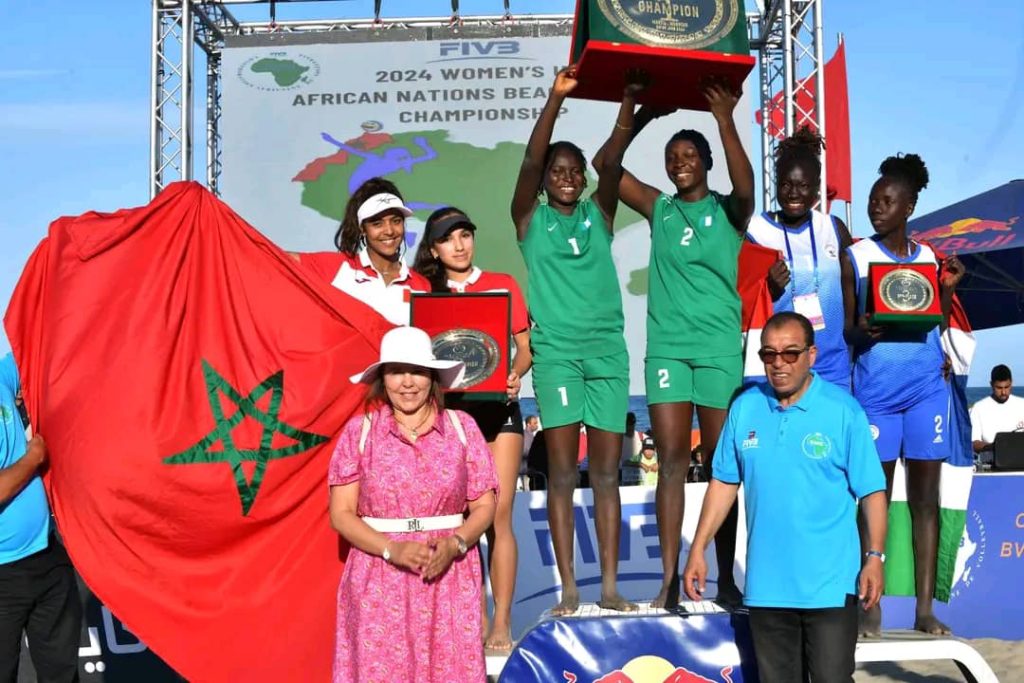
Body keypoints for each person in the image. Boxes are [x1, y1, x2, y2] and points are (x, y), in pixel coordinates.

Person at [593, 75, 755, 608]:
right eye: (672, 156)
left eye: (689, 154)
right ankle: (669, 581)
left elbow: (747, 185)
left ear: (706, 162)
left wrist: (725, 120)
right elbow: (605, 169)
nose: (679, 162)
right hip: (666, 350)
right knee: (670, 461)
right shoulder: (660, 207)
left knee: (722, 464)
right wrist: (635, 116)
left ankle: (725, 578)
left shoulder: (730, 213)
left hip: (717, 351)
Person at [683, 312, 888, 682]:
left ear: (812, 355)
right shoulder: (745, 407)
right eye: (769, 354)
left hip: (829, 587)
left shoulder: (843, 411)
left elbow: (872, 491)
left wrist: (874, 556)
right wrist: (698, 548)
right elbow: (724, 484)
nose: (778, 363)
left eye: (790, 354)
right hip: (767, 588)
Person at [328, 327, 498, 682]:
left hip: (450, 577)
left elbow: (485, 505)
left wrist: (455, 544)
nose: (407, 382)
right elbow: (341, 514)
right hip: (378, 578)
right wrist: (392, 549)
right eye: (396, 371)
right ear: (382, 379)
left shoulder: (462, 427)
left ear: (433, 377)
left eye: (418, 371)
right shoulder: (360, 432)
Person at [841, 153, 965, 636]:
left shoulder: (931, 259)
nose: (878, 207)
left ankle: (924, 609)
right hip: (875, 395)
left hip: (926, 392)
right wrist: (861, 333)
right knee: (874, 497)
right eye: (874, 199)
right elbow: (848, 332)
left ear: (909, 205)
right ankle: (869, 606)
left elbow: (936, 320)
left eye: (888, 201)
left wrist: (949, 291)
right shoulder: (856, 257)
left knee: (925, 502)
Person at [412, 206, 533, 651]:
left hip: (499, 412)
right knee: (462, 521)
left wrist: (516, 374)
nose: (459, 245)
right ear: (434, 248)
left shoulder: (503, 284)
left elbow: (524, 347)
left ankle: (501, 624)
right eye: (448, 238)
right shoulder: (424, 291)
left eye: (465, 234)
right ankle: (474, 621)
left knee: (498, 516)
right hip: (449, 417)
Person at [746, 127, 853, 390]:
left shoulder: (833, 229)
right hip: (781, 365)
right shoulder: (756, 231)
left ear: (817, 188)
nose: (794, 193)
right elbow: (741, 300)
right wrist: (768, 289)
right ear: (775, 184)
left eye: (803, 185)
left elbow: (856, 296)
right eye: (786, 184)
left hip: (833, 365)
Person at [0, 353, 82, 683]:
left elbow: (37, 343)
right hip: (3, 575)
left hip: (48, 558)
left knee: (62, 673)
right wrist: (33, 459)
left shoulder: (2, 378)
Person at [292, 177, 430, 324]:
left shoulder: (421, 285)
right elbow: (274, 258)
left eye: (396, 221)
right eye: (377, 223)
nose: (389, 231)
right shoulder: (335, 267)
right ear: (362, 228)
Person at [970, 364, 1024, 462]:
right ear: (991, 385)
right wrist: (995, 447)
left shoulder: (1022, 405)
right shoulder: (979, 408)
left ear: (1011, 383)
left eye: (1007, 387)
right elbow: (974, 443)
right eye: (999, 388)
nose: (1003, 392)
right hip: (992, 462)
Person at [619, 412, 643, 486]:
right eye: (628, 423)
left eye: (632, 423)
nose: (630, 426)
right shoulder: (618, 440)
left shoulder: (641, 437)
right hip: (622, 476)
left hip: (639, 476)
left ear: (635, 423)